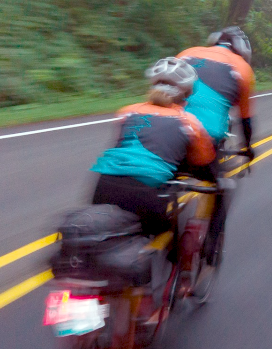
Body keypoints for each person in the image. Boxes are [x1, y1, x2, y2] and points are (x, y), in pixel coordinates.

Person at [91, 57, 215, 237]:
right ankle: (174, 260)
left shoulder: (127, 112)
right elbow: (203, 163)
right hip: (147, 198)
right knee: (165, 233)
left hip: (102, 190)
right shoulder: (189, 123)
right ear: (186, 94)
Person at [177, 26, 256, 159]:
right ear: (242, 51)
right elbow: (245, 120)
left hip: (162, 130)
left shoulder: (186, 53)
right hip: (203, 139)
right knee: (217, 176)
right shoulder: (242, 68)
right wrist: (248, 148)